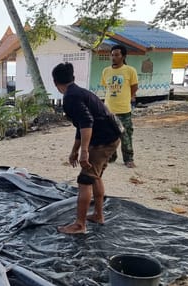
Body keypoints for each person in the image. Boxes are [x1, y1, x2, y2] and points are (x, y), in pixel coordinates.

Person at [52, 62, 121, 234]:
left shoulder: (71, 97)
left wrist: (84, 152)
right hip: (111, 136)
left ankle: (80, 225)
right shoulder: (79, 92)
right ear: (73, 78)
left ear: (55, 83)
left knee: (85, 180)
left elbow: (87, 123)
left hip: (103, 140)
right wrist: (74, 150)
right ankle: (98, 215)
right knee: (95, 176)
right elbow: (80, 125)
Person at [101, 44, 138, 168]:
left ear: (123, 56)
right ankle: (111, 156)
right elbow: (106, 87)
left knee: (125, 135)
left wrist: (128, 97)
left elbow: (134, 87)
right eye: (112, 55)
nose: (113, 57)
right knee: (109, 135)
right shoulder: (106, 71)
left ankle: (128, 159)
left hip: (124, 110)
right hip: (109, 110)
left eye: (116, 55)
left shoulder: (130, 70)